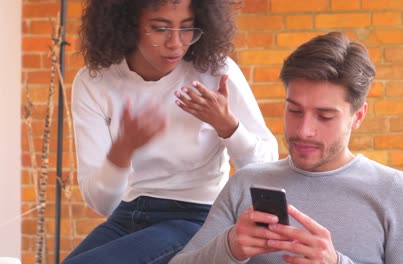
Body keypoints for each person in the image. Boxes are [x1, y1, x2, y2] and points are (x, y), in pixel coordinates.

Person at [169, 32, 403, 264]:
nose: (303, 130)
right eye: (294, 110)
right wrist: (229, 247)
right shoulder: (246, 182)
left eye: (324, 116)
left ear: (358, 116)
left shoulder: (395, 193)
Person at [63, 0, 279, 263]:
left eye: (187, 28)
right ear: (127, 26)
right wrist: (122, 149)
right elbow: (102, 204)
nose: (176, 43)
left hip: (197, 216)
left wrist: (228, 126)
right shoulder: (94, 83)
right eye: (160, 29)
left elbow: (267, 167)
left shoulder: (215, 72)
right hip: (128, 213)